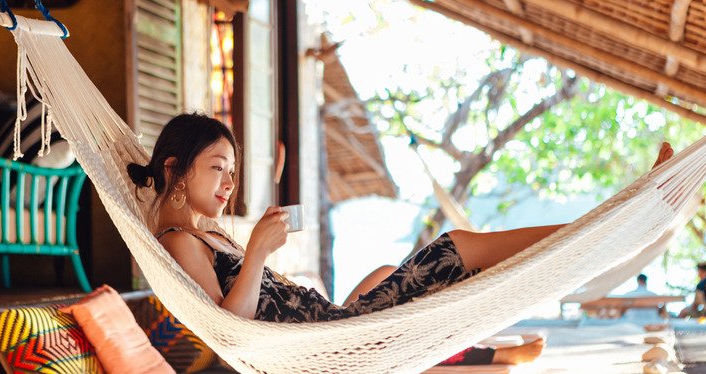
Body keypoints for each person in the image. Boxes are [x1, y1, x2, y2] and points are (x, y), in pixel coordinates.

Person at [126, 113, 673, 365]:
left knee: (399, 273)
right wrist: (259, 254)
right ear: (176, 168)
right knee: (453, 247)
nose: (229, 183)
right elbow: (232, 328)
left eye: (232, 171)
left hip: (327, 326)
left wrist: (261, 258)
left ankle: (612, 222)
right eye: (219, 168)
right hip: (323, 342)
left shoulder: (205, 234)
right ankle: (615, 219)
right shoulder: (177, 241)